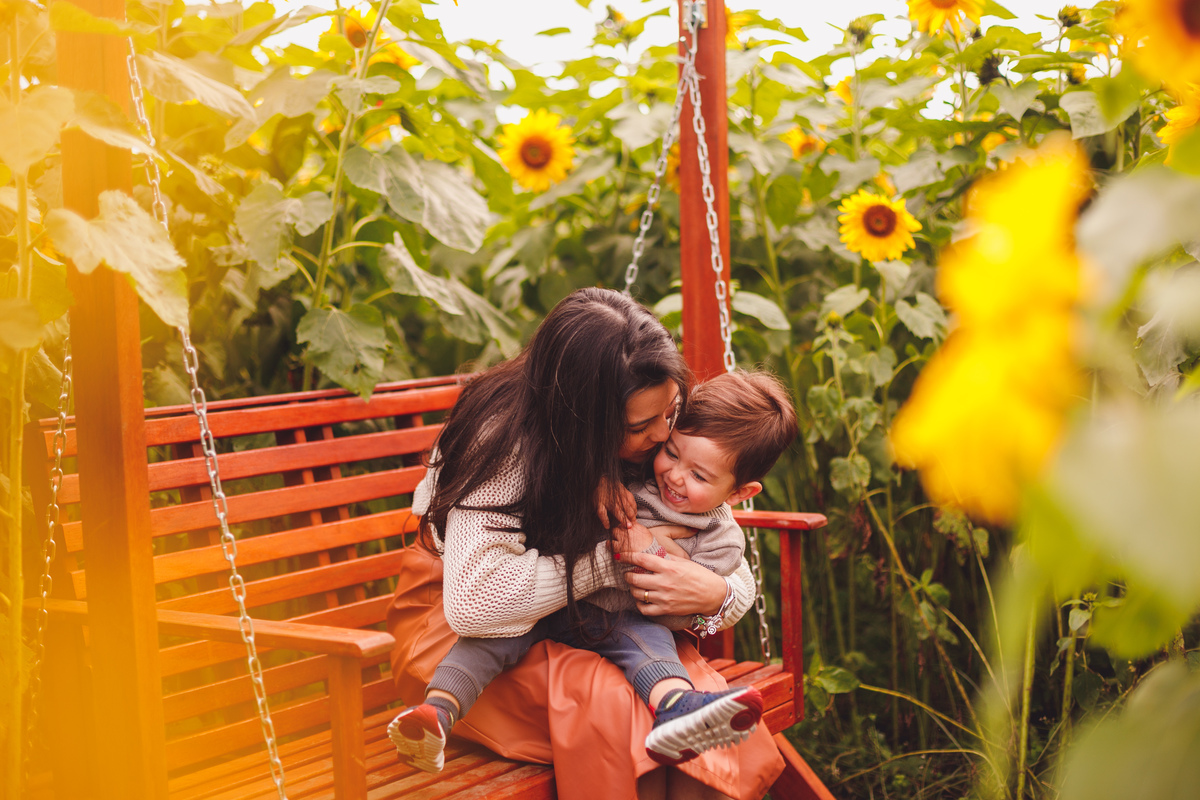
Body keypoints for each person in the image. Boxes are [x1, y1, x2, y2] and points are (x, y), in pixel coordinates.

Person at [385, 288, 786, 800]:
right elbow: (474, 607)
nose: (666, 435)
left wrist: (716, 597)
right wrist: (616, 560)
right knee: (615, 707)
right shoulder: (501, 443)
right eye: (643, 426)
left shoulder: (658, 425)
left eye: (674, 409)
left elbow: (721, 547)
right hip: (468, 622)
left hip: (593, 617)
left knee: (695, 706)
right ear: (582, 425)